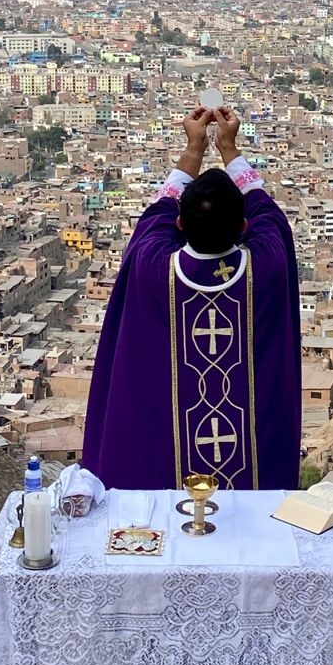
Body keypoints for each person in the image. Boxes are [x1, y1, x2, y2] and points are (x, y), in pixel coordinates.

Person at [81, 106, 302, 491]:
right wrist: (229, 149)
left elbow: (157, 214)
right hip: (251, 470)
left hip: (161, 471)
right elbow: (268, 211)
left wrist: (193, 149)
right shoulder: (266, 265)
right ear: (243, 227)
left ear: (180, 226)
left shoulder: (152, 266)